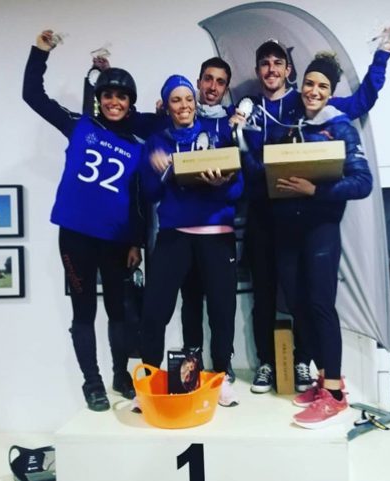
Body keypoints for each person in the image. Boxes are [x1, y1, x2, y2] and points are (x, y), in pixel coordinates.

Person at [231, 30, 390, 395]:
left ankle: (313, 369)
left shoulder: (312, 106)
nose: (271, 69)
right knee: (274, 296)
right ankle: (272, 364)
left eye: (278, 63)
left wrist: (381, 58)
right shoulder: (247, 107)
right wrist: (239, 138)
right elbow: (252, 163)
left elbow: (362, 101)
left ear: (289, 70)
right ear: (258, 70)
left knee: (315, 301)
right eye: (265, 63)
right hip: (266, 216)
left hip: (310, 216)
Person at [22, 29, 146, 412]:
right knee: (84, 311)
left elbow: (137, 199)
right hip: (76, 237)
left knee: (118, 310)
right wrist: (40, 52)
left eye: (121, 97)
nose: (114, 102)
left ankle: (120, 374)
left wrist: (136, 242)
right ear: (99, 98)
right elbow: (33, 95)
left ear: (130, 103)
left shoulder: (136, 143)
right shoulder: (79, 125)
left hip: (115, 240)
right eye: (108, 95)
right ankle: (92, 382)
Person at [264, 52, 374, 428]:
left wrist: (316, 190)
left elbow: (362, 183)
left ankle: (335, 394)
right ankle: (324, 377)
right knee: (298, 305)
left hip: (321, 229)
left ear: (331, 92)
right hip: (288, 229)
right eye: (309, 83)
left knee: (320, 305)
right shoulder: (292, 120)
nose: (314, 91)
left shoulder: (340, 126)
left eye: (322, 86)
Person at [138, 75, 243, 408]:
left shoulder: (218, 134)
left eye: (187, 99)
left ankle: (221, 378)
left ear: (195, 103)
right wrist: (161, 172)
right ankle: (149, 381)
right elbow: (150, 193)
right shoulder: (156, 142)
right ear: (167, 106)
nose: (183, 106)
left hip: (217, 234)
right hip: (175, 235)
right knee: (155, 310)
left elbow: (239, 188)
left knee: (222, 311)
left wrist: (222, 184)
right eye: (175, 100)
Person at [178, 57, 238, 383]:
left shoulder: (233, 124)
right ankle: (192, 368)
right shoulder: (180, 116)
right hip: (185, 229)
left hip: (219, 227)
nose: (213, 87)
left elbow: (242, 179)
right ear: (199, 81)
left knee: (222, 304)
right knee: (191, 301)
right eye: (208, 79)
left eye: (220, 82)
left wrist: (224, 184)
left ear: (226, 88)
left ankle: (222, 367)